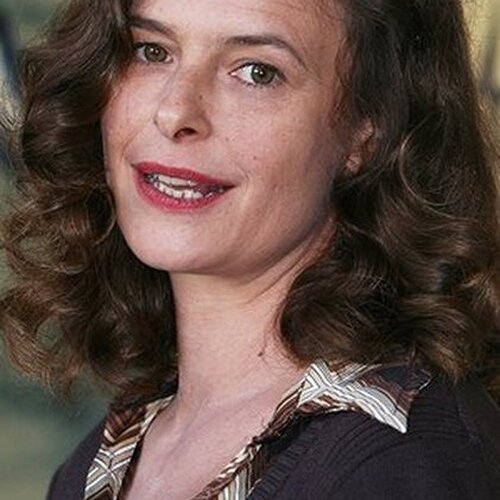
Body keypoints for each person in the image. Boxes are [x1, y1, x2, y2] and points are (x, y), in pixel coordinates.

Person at [1, 0, 499, 498]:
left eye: (258, 72)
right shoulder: (102, 459)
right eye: (152, 51)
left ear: (368, 130)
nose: (175, 112)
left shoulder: (402, 464)